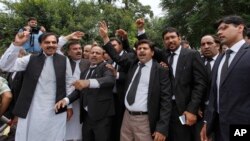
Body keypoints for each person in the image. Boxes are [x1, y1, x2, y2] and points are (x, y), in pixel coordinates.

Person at [136, 18, 208, 141]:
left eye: (173, 37)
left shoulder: (192, 54)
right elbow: (148, 45)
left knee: (182, 135)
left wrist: (192, 109)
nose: (170, 40)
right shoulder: (164, 55)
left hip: (183, 109)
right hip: (165, 108)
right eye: (167, 39)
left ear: (179, 38)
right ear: (164, 42)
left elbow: (200, 84)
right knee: (165, 135)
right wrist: (141, 30)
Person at [99, 21, 172, 141]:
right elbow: (116, 57)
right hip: (127, 116)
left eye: (145, 48)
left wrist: (162, 128)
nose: (141, 51)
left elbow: (166, 100)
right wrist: (105, 37)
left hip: (145, 120)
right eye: (139, 49)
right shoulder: (132, 64)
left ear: (152, 53)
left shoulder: (160, 70)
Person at [0, 31, 74, 141]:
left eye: (54, 42)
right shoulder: (30, 59)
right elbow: (5, 66)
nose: (51, 45)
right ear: (40, 44)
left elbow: (68, 83)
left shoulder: (64, 60)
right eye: (47, 42)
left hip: (56, 108)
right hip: (32, 109)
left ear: (57, 45)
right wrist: (16, 45)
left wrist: (69, 106)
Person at [200, 15, 250, 141]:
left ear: (240, 28)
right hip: (218, 127)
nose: (219, 32)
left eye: (224, 28)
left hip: (242, 126)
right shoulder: (221, 58)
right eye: (218, 29)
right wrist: (207, 122)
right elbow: (214, 93)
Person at [55, 45, 115, 141]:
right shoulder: (85, 71)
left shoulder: (106, 67)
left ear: (103, 56)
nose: (94, 55)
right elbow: (79, 91)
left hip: (102, 117)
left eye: (97, 53)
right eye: (92, 52)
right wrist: (66, 100)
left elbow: (110, 80)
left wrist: (88, 82)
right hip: (87, 116)